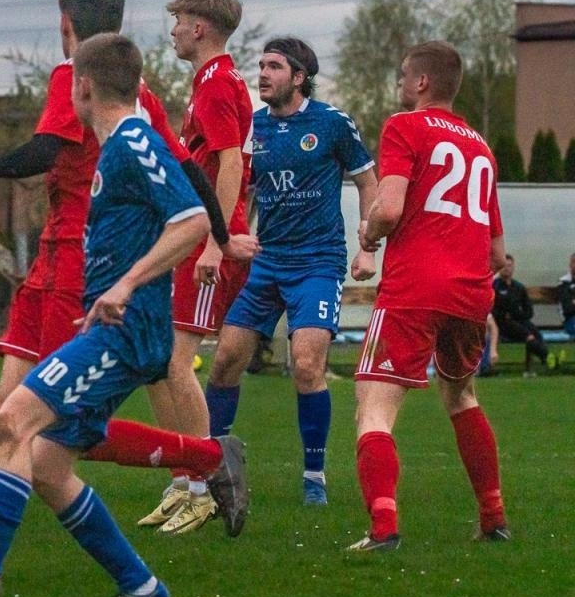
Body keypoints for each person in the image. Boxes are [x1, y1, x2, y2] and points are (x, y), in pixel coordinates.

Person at [0, 34, 248, 597]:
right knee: (46, 465)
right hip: (111, 324)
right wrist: (102, 292)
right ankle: (142, 586)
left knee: (12, 418)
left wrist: (124, 287)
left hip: (129, 333)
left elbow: (192, 219)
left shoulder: (132, 139)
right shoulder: (117, 144)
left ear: (84, 87)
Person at [202, 38, 377, 505]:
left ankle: (314, 475)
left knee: (305, 365)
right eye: (259, 65)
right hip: (266, 262)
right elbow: (236, 190)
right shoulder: (251, 129)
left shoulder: (331, 122)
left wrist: (368, 246)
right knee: (224, 362)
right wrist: (224, 240)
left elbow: (366, 179)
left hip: (318, 262)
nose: (262, 74)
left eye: (274, 66)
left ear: (299, 77)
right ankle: (211, 465)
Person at [349, 41, 509, 550]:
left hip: (415, 289)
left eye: (402, 76)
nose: (400, 84)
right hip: (470, 294)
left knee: (373, 406)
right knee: (462, 396)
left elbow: (389, 208)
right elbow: (497, 253)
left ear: (421, 83)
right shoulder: (481, 146)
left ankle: (383, 528)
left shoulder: (405, 127)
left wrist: (371, 231)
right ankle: (493, 517)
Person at [140, 0, 255, 534]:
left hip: (207, 242)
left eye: (179, 20)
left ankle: (205, 483)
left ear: (201, 28)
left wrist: (216, 240)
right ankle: (184, 479)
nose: (174, 30)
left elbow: (231, 164)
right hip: (192, 236)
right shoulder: (209, 80)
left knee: (175, 362)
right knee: (156, 363)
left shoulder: (215, 83)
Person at [490, 255, 550, 376]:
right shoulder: (494, 286)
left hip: (519, 320)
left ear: (513, 268)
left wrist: (518, 314)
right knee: (528, 336)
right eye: (504, 266)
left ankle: (530, 368)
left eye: (510, 266)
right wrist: (506, 315)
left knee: (536, 333)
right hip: (502, 324)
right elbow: (493, 310)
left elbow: (529, 311)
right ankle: (548, 358)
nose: (507, 269)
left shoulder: (519, 287)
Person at [558, 252, 575, 337]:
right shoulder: (563, 283)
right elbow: (567, 309)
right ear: (570, 264)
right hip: (570, 320)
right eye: (574, 262)